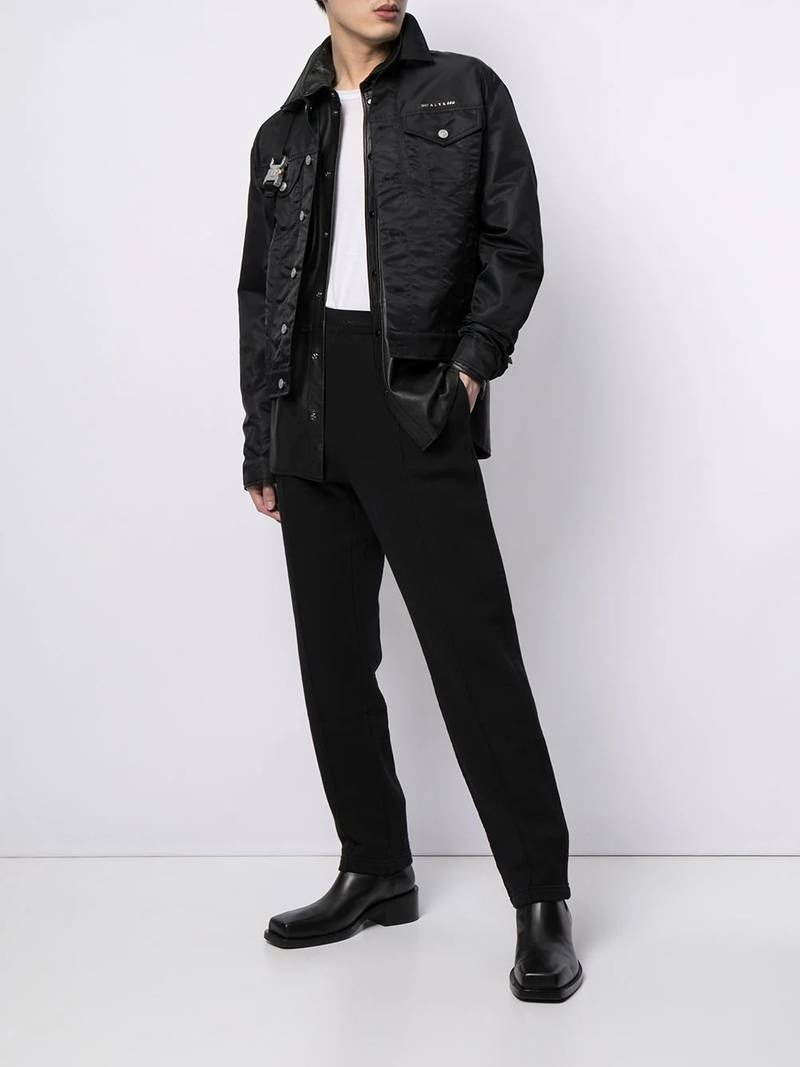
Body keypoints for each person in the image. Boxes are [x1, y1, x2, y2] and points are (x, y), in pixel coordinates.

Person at [237, 0, 583, 1002]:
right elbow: (259, 291)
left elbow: (512, 245)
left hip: (413, 398)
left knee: (474, 653)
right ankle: (374, 867)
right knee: (333, 657)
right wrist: (262, 434)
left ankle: (540, 898)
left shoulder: (464, 92)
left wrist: (468, 370)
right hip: (306, 405)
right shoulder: (283, 132)